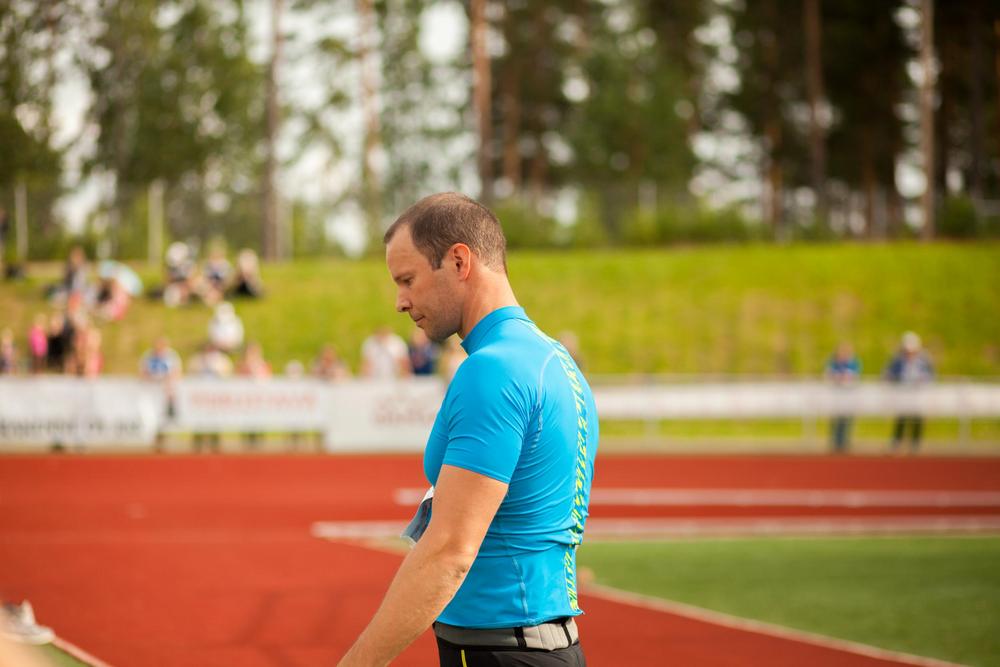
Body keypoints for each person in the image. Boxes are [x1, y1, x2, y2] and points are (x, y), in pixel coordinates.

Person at [338, 193, 598, 667]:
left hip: (500, 651)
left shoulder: (493, 371)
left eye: (407, 280)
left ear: (460, 261)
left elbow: (450, 552)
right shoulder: (555, 361)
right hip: (538, 643)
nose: (399, 302)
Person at [884, 331, 934, 454]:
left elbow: (931, 376)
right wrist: (892, 379)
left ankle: (915, 443)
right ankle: (896, 443)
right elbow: (888, 373)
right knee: (901, 418)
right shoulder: (898, 360)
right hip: (902, 394)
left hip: (918, 395)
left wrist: (923, 380)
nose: (909, 353)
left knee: (917, 419)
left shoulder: (924, 361)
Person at [824, 342, 861, 453]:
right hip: (835, 396)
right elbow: (829, 375)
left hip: (848, 396)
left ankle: (844, 442)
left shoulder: (853, 363)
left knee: (846, 420)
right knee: (836, 420)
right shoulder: (833, 362)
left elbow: (854, 376)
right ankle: (835, 443)